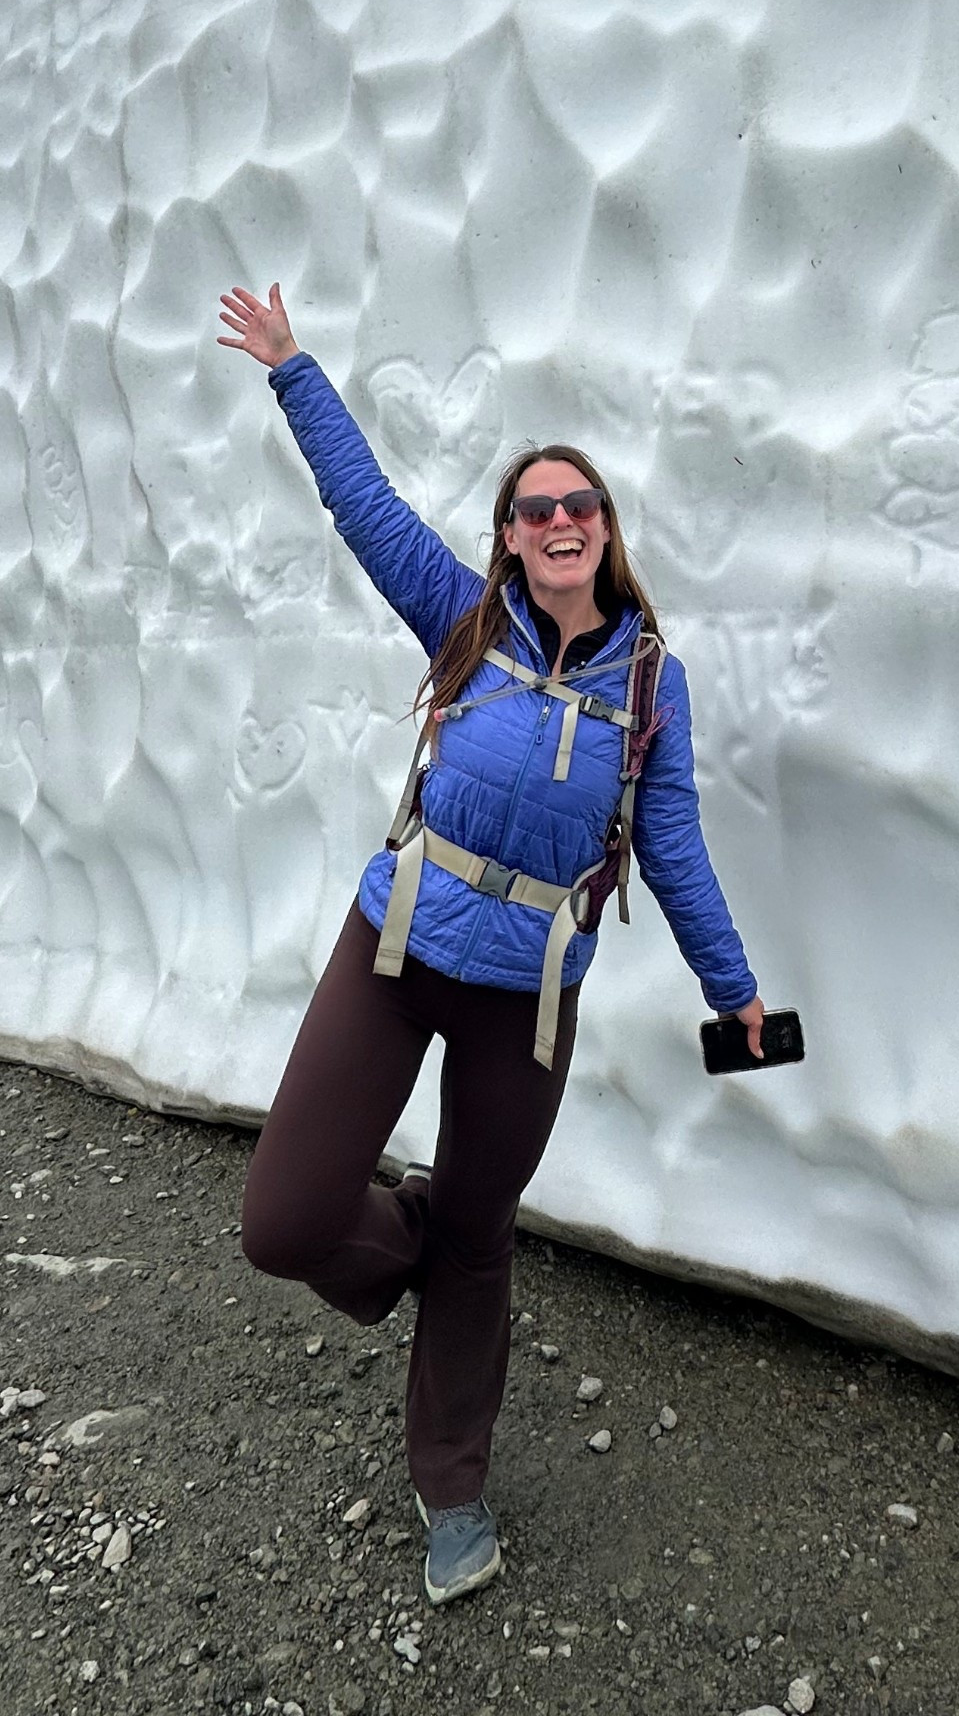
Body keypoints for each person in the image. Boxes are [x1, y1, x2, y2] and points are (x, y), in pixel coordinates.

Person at [222, 282, 764, 1606]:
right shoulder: (462, 622)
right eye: (538, 508)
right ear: (511, 539)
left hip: (528, 993)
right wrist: (296, 370)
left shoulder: (650, 684)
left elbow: (675, 850)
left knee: (486, 1239)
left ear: (606, 533)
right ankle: (426, 1241)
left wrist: (736, 992)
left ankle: (451, 1486)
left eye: (581, 505)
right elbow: (367, 507)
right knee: (285, 1222)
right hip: (398, 945)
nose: (562, 521)